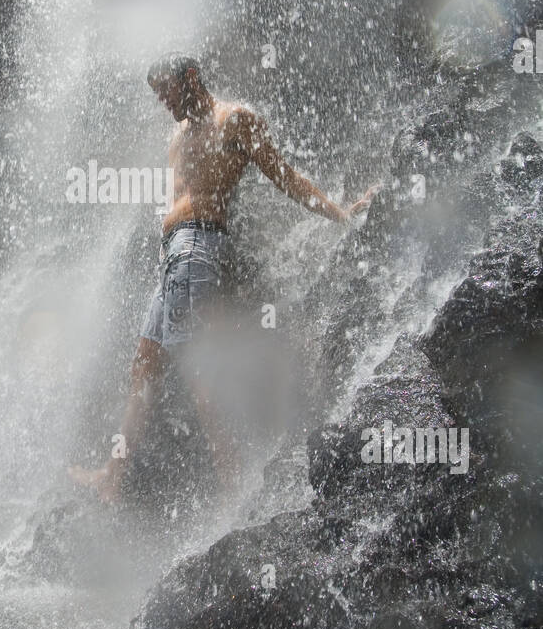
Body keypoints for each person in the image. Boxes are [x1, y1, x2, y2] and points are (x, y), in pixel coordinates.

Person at [69, 54, 377, 503]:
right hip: (174, 257)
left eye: (166, 90)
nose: (163, 101)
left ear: (190, 78)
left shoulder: (235, 120)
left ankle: (235, 486)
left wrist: (341, 214)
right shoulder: (176, 136)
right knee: (144, 366)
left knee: (198, 367)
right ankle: (113, 475)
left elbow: (285, 177)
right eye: (157, 95)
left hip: (197, 248)